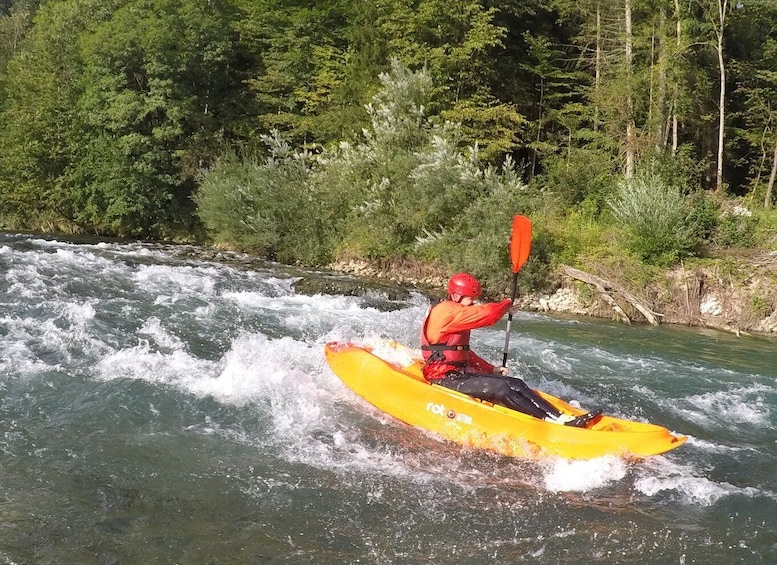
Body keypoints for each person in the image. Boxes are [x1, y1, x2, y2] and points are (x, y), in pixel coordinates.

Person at [420, 272, 600, 428]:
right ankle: (548, 422)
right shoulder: (447, 311)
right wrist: (506, 305)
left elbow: (463, 353)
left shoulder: (457, 312)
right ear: (457, 296)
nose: (473, 303)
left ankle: (561, 417)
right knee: (501, 387)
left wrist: (491, 369)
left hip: (457, 374)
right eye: (470, 299)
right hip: (441, 377)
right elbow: (488, 315)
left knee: (515, 383)